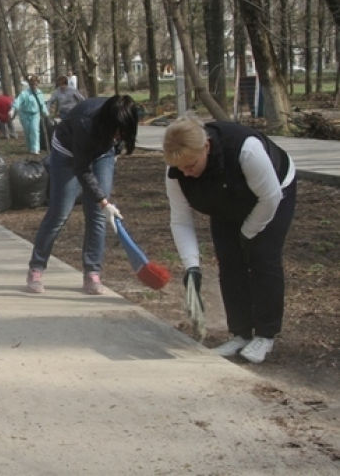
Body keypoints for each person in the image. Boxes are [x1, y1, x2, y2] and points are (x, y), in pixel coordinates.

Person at [163, 114, 297, 364]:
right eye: (180, 167)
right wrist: (191, 266)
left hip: (273, 193)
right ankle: (241, 333)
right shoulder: (177, 170)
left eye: (191, 165)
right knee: (229, 260)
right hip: (226, 200)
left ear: (206, 146)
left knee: (262, 258)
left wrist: (248, 231)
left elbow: (270, 198)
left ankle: (266, 335)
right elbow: (181, 219)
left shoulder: (246, 150)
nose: (186, 172)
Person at [25, 95, 139, 295]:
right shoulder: (84, 124)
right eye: (118, 132)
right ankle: (36, 268)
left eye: (124, 132)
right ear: (107, 124)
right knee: (59, 213)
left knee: (97, 214)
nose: (120, 135)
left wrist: (102, 202)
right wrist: (104, 201)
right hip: (67, 153)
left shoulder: (120, 120)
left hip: (102, 153)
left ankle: (92, 273)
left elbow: (118, 144)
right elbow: (82, 169)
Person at [11, 75, 47, 155]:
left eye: (36, 84)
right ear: (30, 84)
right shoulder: (25, 93)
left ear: (38, 84)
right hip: (25, 115)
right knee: (28, 132)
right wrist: (13, 109)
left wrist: (45, 112)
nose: (34, 85)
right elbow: (18, 101)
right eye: (32, 84)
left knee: (35, 131)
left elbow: (42, 104)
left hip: (35, 115)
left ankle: (35, 149)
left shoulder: (39, 93)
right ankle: (30, 147)